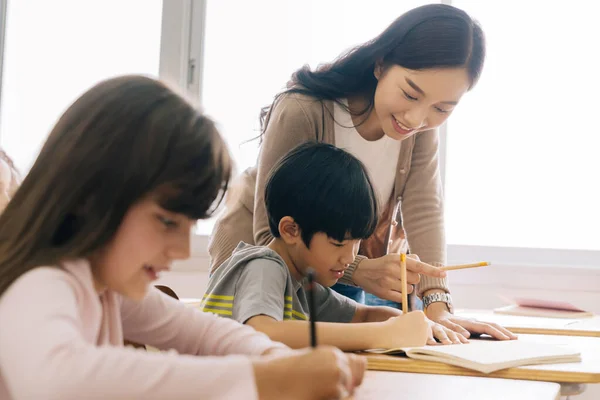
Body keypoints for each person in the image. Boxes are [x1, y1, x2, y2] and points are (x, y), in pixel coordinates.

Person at [0, 75, 365, 400]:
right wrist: (266, 379)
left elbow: (202, 333)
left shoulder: (102, 284)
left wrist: (278, 359)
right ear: (90, 197)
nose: (179, 251)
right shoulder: (40, 280)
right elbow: (58, 380)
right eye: (166, 221)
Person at [208, 3, 516, 341]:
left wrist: (435, 307)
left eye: (442, 108)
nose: (417, 119)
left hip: (326, 268)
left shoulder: (422, 128)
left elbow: (424, 210)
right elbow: (271, 237)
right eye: (410, 94)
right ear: (380, 64)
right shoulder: (303, 109)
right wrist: (356, 270)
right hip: (271, 254)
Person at [204, 142, 469, 347]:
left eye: (356, 244)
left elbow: (364, 316)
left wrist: (412, 322)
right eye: (338, 243)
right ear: (291, 230)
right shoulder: (263, 267)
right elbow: (263, 331)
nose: (349, 257)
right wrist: (380, 335)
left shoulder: (301, 282)